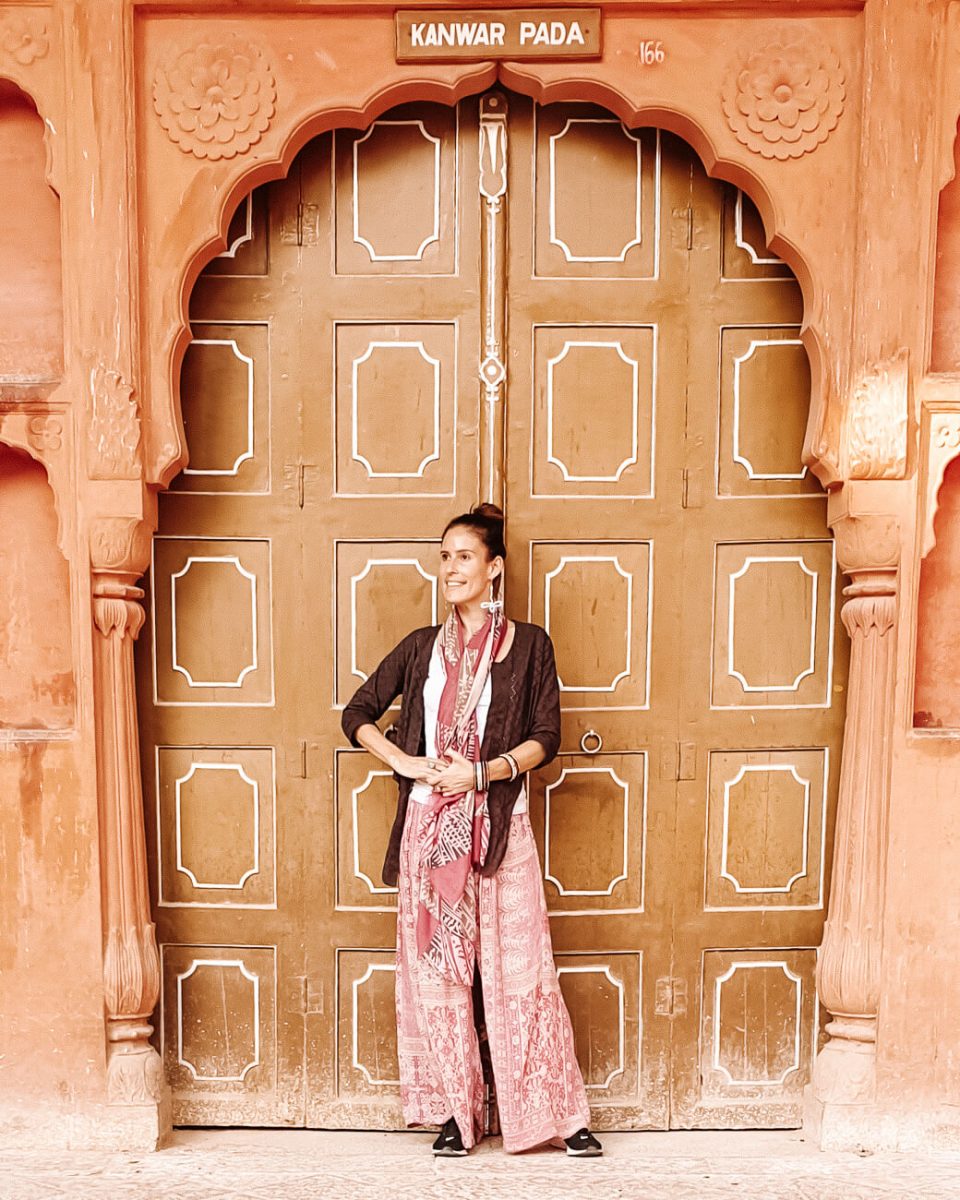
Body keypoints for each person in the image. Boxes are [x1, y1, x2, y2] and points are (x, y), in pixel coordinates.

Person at [342, 503, 602, 1158]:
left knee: (521, 971)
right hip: (431, 829)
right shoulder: (420, 647)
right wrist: (405, 762)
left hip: (499, 824)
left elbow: (547, 737)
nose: (452, 568)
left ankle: (557, 1117)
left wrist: (483, 774)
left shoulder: (530, 645)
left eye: (464, 556)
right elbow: (359, 713)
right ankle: (456, 1113)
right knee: (441, 977)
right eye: (445, 556)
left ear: (495, 568)